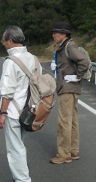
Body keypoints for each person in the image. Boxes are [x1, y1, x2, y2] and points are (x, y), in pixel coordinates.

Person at [0, 26, 35, 182]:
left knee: (15, 148)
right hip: (30, 109)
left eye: (4, 40)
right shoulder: (32, 58)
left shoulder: (11, 62)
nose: (3, 44)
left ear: (10, 41)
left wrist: (2, 113)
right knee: (20, 145)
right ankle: (22, 177)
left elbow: (7, 91)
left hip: (13, 111)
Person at [50, 22, 89, 164]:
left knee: (63, 122)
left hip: (67, 88)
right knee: (72, 121)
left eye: (57, 32)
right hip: (71, 88)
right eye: (54, 32)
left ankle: (63, 154)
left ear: (64, 34)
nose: (54, 35)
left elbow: (84, 61)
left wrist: (77, 75)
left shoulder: (69, 46)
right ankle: (73, 151)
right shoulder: (66, 46)